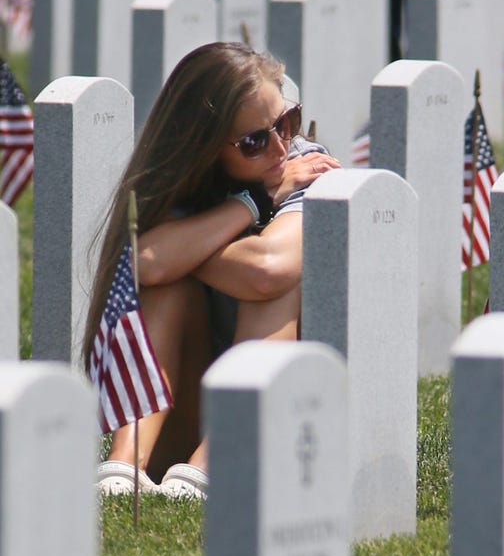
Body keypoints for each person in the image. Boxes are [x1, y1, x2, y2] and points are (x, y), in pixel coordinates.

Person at [83, 41, 341, 499]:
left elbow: (269, 268)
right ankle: (126, 464)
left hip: (277, 418)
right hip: (183, 411)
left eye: (287, 120)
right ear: (203, 147)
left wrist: (183, 251)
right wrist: (255, 202)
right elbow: (146, 263)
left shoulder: (306, 164)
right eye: (254, 141)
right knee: (168, 288)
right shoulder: (181, 180)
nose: (282, 147)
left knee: (275, 290)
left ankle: (212, 463)